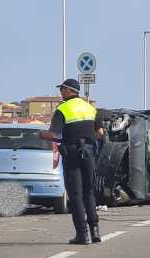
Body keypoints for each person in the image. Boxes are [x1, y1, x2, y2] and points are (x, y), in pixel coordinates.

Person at [39, 79, 104, 245]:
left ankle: (82, 235)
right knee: (89, 192)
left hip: (73, 153)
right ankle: (95, 231)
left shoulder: (62, 109)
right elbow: (100, 132)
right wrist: (86, 140)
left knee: (75, 194)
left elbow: (53, 134)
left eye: (62, 89)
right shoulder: (90, 108)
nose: (60, 92)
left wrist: (41, 135)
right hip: (88, 153)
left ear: (69, 91)